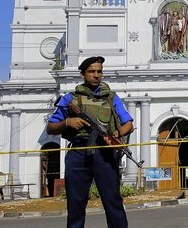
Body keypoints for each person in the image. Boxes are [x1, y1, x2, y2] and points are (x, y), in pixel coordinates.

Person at [47, 56, 134, 228]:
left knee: (113, 200)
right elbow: (50, 127)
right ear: (82, 74)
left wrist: (115, 135)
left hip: (104, 153)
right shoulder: (70, 99)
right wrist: (67, 123)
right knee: (76, 203)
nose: (96, 75)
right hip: (79, 153)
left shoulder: (111, 98)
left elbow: (129, 124)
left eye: (99, 71)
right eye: (91, 71)